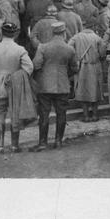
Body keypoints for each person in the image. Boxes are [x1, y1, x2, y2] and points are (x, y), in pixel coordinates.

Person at [0, 22, 35, 153]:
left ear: (2, 32)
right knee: (15, 115)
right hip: (15, 87)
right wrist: (16, 78)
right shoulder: (20, 49)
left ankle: (0, 147)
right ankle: (14, 146)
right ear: (15, 33)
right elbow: (29, 67)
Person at [30, 21, 78, 151]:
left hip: (45, 85)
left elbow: (36, 65)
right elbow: (75, 68)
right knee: (61, 114)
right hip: (62, 85)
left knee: (44, 114)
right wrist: (65, 74)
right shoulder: (70, 49)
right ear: (63, 33)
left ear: (52, 32)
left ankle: (43, 143)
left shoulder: (43, 47)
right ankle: (58, 141)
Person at [69, 21, 106, 122]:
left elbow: (69, 49)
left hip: (82, 67)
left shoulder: (76, 37)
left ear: (83, 26)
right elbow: (103, 54)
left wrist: (76, 58)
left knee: (82, 90)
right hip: (95, 67)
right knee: (95, 91)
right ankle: (95, 115)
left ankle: (85, 116)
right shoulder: (98, 38)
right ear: (93, 26)